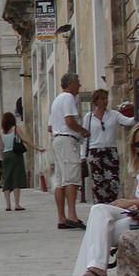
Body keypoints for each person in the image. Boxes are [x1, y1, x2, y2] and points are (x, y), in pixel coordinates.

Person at [54, 122, 139, 276]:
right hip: (137, 218)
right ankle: (95, 269)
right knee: (99, 212)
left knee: (98, 232)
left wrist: (131, 202)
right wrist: (131, 205)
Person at [47, 72, 90, 229]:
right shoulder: (68, 98)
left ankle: (61, 217)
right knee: (71, 177)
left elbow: (50, 127)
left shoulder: (56, 100)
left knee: (60, 180)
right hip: (67, 140)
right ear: (70, 83)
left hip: (58, 139)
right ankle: (72, 215)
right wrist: (83, 130)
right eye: (77, 81)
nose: (79, 84)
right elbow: (69, 121)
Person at [81, 89, 135, 203]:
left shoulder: (114, 114)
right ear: (96, 101)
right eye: (102, 98)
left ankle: (112, 203)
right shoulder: (89, 117)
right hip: (95, 152)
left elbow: (128, 121)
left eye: (106, 98)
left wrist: (138, 115)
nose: (105, 101)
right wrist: (82, 156)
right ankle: (100, 206)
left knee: (113, 181)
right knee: (98, 182)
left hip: (110, 151)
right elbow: (85, 136)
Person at [0, 112, 45, 211]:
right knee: (16, 178)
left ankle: (7, 205)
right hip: (16, 155)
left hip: (6, 156)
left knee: (7, 179)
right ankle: (17, 204)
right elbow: (25, 139)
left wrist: (3, 159)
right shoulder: (16, 129)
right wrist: (37, 148)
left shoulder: (1, 132)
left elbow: (1, 147)